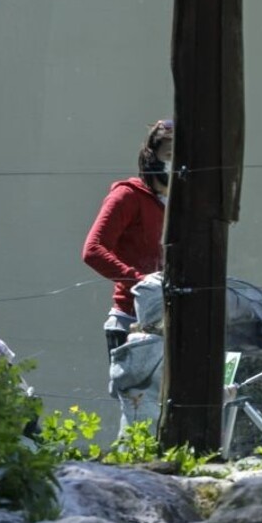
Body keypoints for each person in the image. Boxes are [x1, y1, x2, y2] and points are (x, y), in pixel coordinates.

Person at [82, 119, 173, 353]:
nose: (176, 166)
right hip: (131, 321)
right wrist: (142, 282)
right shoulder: (128, 196)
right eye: (170, 155)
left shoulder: (180, 207)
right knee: (139, 391)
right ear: (153, 159)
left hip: (171, 322)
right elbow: (93, 250)